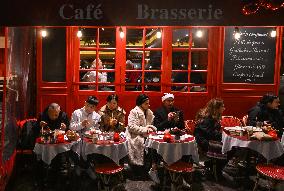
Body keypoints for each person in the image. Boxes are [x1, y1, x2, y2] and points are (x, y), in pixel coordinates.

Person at [69, 96, 101, 180]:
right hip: (78, 137)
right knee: (77, 147)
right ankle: (81, 166)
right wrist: (81, 124)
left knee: (91, 147)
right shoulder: (77, 113)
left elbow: (98, 129)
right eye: (89, 105)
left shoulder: (97, 116)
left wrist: (93, 131)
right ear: (85, 103)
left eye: (93, 107)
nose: (90, 108)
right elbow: (71, 126)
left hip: (90, 138)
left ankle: (86, 167)